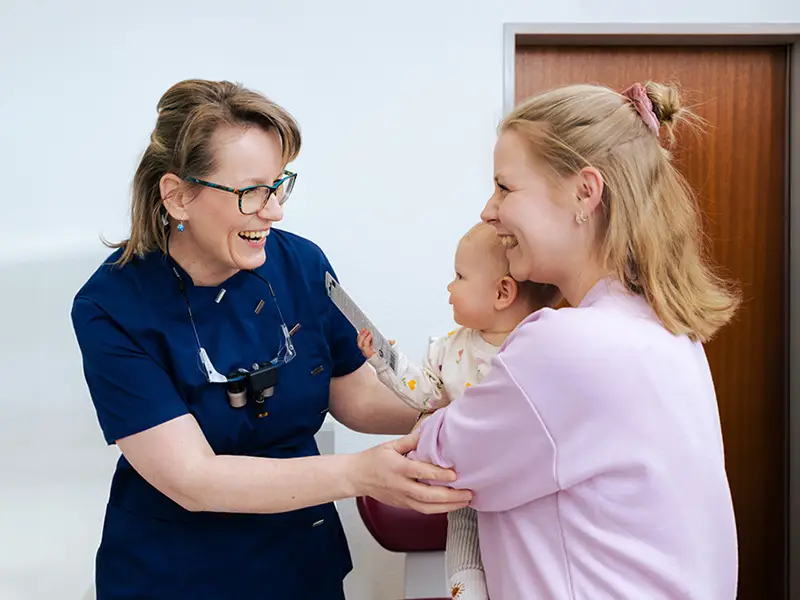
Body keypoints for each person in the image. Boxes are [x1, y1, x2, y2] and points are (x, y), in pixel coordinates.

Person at [70, 78, 471, 600]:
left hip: (299, 561)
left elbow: (353, 396)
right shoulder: (111, 305)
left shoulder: (301, 263)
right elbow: (192, 478)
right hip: (177, 573)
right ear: (177, 196)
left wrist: (460, 401)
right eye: (250, 192)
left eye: (279, 185)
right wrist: (360, 475)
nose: (275, 210)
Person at [407, 81, 741, 599]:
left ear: (585, 192)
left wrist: (438, 414)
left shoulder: (565, 345)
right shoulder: (664, 331)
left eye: (505, 188)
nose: (487, 211)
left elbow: (432, 468)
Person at [356, 221, 559, 600]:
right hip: (463, 488)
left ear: (502, 292)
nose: (450, 288)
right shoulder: (449, 350)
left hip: (524, 493)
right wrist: (386, 363)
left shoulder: (538, 347)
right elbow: (424, 396)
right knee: (463, 538)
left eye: (460, 277)